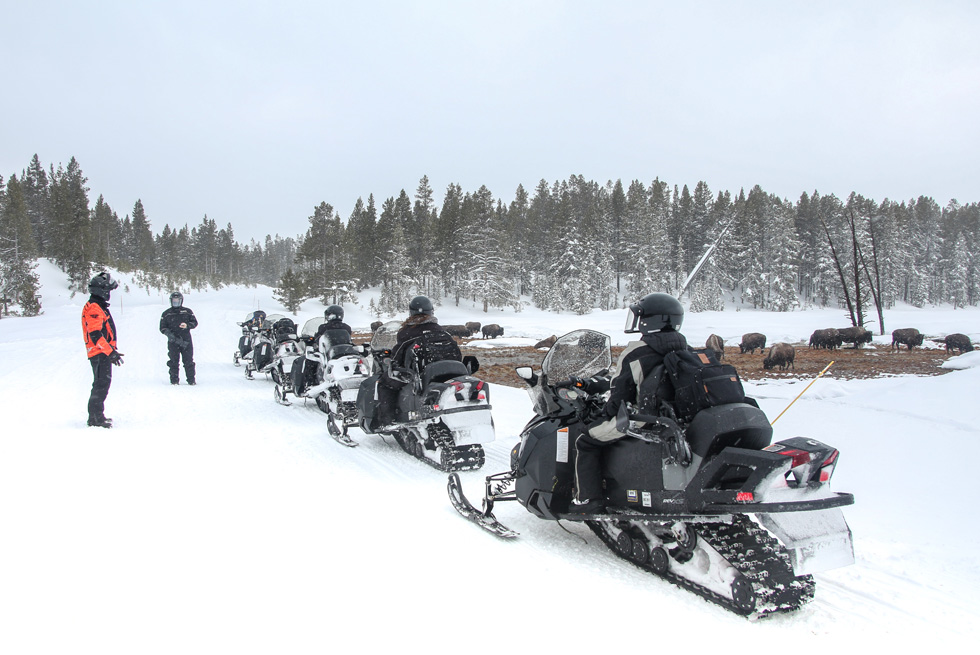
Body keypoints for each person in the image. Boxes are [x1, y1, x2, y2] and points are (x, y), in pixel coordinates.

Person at [571, 292, 688, 514]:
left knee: (586, 440)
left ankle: (589, 500)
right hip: (672, 418)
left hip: (643, 420)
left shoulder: (637, 352)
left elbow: (619, 395)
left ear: (648, 320)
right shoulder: (684, 349)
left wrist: (601, 416)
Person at [375, 295, 458, 425]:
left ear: (411, 312)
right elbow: (457, 355)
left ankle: (387, 420)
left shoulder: (407, 332)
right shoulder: (441, 330)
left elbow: (397, 357)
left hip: (419, 376)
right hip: (444, 374)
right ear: (431, 311)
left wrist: (390, 361)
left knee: (385, 383)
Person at [82, 272, 123, 428]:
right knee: (101, 384)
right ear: (101, 290)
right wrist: (109, 351)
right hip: (99, 352)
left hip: (102, 351)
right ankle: (95, 418)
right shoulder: (94, 307)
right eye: (107, 290)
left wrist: (111, 350)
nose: (109, 294)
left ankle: (98, 415)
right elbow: (95, 334)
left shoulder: (98, 306)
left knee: (102, 383)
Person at [159, 291, 198, 385]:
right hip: (173, 341)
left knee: (188, 361)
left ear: (181, 301)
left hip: (186, 341)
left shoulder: (187, 311)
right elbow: (162, 327)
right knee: (173, 362)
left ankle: (191, 380)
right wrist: (169, 334)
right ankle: (174, 380)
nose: (176, 302)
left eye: (177, 300)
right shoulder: (166, 313)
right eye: (174, 300)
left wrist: (187, 325)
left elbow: (195, 323)